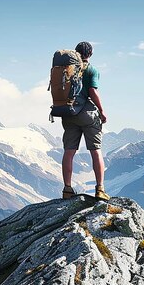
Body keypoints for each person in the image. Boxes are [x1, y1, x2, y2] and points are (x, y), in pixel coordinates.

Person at [61, 41, 110, 200]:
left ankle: (67, 189)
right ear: (90, 54)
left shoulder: (66, 70)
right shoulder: (91, 70)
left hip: (68, 114)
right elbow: (92, 91)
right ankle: (100, 189)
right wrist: (102, 111)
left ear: (75, 53)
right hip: (87, 114)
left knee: (69, 152)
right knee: (95, 150)